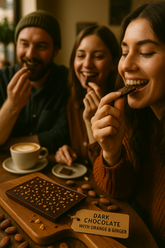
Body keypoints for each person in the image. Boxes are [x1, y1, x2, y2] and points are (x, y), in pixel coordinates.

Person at [91, 2, 165, 247]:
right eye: (124, 52)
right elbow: (121, 193)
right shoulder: (137, 118)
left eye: (145, 52)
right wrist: (111, 152)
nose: (125, 65)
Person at [0, 10, 69, 154]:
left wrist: (10, 143)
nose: (30, 54)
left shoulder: (66, 80)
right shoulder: (1, 78)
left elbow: (62, 134)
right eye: (24, 44)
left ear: (55, 51)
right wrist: (12, 105)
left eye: (41, 46)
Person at [55, 25, 119, 168]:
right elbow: (81, 155)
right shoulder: (73, 102)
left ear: (114, 63)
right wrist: (65, 152)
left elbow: (106, 171)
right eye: (81, 55)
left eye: (98, 56)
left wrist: (91, 122)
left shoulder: (121, 108)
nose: (87, 64)